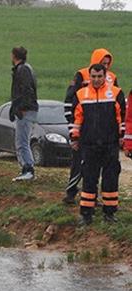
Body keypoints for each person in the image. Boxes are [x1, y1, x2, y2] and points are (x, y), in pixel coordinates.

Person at [70, 64, 126, 225]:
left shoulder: (115, 93)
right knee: (89, 178)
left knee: (110, 178)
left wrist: (122, 138)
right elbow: (76, 120)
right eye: (93, 77)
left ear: (105, 76)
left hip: (110, 144)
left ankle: (109, 214)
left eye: (99, 76)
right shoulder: (81, 95)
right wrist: (74, 138)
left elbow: (121, 118)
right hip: (89, 144)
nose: (96, 80)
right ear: (89, 77)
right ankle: (86, 214)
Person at [62, 49, 118, 204]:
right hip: (84, 129)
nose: (105, 67)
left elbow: (118, 107)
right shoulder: (81, 75)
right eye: (102, 63)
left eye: (107, 64)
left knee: (102, 170)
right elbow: (70, 101)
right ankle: (71, 192)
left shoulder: (112, 78)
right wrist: (72, 127)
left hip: (104, 134)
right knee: (78, 163)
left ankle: (95, 198)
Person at [10, 46, 39, 181]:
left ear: (14, 56)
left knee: (22, 141)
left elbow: (27, 90)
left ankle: (28, 169)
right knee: (22, 140)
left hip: (26, 111)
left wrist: (21, 107)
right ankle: (26, 169)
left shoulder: (22, 70)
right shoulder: (27, 68)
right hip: (27, 109)